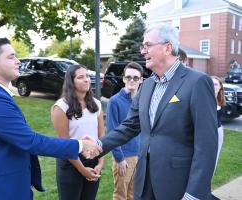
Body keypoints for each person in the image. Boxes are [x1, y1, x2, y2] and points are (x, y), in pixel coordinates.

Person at [0, 38, 101, 200]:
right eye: (11, 57)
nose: (18, 61)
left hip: (5, 184)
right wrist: (80, 145)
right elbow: (30, 141)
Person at [97, 23, 218, 200]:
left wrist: (194, 194)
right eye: (142, 46)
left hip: (177, 185)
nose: (143, 51)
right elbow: (130, 126)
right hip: (144, 182)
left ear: (168, 47)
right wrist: (100, 145)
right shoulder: (146, 85)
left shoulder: (197, 82)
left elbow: (207, 143)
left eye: (148, 45)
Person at [51, 64, 105, 200]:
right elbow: (65, 143)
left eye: (87, 76)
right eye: (81, 77)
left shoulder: (96, 104)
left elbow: (101, 136)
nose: (87, 79)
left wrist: (100, 163)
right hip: (71, 163)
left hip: (93, 160)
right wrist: (82, 170)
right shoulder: (61, 107)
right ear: (71, 82)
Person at [106, 62, 143, 200]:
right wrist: (119, 158)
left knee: (134, 195)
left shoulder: (142, 100)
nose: (132, 80)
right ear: (123, 79)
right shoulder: (114, 101)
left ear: (141, 80)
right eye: (128, 77)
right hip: (124, 157)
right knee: (120, 195)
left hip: (140, 155)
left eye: (135, 77)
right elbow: (112, 132)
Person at [211, 76, 226, 167]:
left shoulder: (220, 100)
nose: (213, 86)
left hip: (218, 131)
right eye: (211, 84)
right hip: (206, 132)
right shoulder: (203, 99)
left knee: (215, 157)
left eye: (216, 84)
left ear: (220, 87)